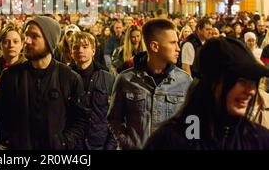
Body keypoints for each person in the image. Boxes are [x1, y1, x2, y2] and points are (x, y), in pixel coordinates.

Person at [144, 37, 269, 150]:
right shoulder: (171, 140)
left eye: (253, 83)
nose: (251, 91)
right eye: (241, 82)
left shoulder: (258, 139)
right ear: (214, 82)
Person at [0, 16, 89, 150]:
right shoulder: (10, 76)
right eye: (26, 35)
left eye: (34, 36)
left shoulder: (69, 77)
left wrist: (63, 142)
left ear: (49, 42)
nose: (26, 40)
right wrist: (10, 140)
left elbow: (81, 120)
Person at [107, 19, 192, 150]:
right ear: (154, 46)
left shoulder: (184, 80)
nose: (178, 48)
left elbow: (194, 119)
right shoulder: (126, 79)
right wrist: (128, 144)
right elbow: (114, 119)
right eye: (173, 43)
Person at [70, 32, 116, 150]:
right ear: (71, 52)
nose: (80, 50)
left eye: (85, 47)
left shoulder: (108, 78)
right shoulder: (64, 77)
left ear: (93, 51)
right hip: (73, 144)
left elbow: (116, 116)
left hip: (99, 144)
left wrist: (110, 145)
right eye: (76, 47)